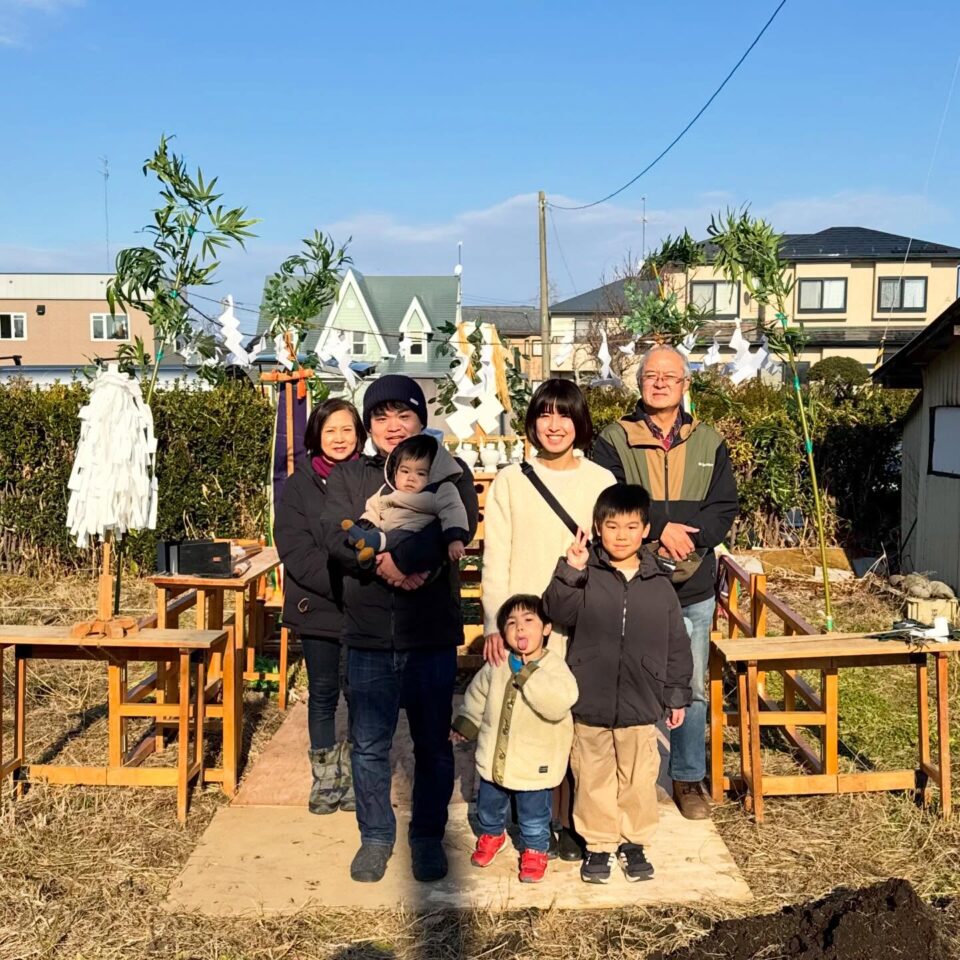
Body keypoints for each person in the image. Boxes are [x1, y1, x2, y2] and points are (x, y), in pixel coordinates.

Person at [323, 375, 479, 884]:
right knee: (369, 744)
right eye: (381, 417)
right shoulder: (351, 477)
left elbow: (458, 527)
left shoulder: (449, 472)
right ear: (370, 426)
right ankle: (375, 836)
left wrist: (401, 558)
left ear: (421, 419)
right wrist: (380, 567)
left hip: (429, 632)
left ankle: (428, 836)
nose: (393, 426)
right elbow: (335, 535)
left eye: (403, 415)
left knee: (433, 744)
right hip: (368, 634)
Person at [590, 345, 738, 820]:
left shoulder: (709, 441)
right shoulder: (614, 438)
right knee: (621, 678)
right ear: (639, 382)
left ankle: (688, 776)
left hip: (693, 583)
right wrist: (658, 527)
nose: (658, 383)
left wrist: (689, 542)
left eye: (669, 377)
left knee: (689, 684)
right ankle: (621, 778)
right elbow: (608, 497)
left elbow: (723, 508)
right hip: (632, 577)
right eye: (650, 375)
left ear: (684, 385)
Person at [481, 378, 615, 860]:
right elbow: (497, 556)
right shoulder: (511, 481)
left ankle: (573, 818)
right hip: (523, 628)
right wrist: (497, 623)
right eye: (544, 414)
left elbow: (611, 555)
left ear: (579, 423)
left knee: (578, 723)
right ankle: (533, 820)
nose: (554, 425)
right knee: (528, 721)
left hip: (581, 623)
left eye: (564, 415)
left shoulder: (601, 482)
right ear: (532, 422)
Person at [542, 484, 693, 884]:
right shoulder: (585, 574)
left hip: (642, 703)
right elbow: (556, 611)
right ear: (597, 528)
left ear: (646, 530)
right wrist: (571, 570)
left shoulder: (659, 584)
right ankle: (599, 844)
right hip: (590, 699)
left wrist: (676, 693)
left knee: (639, 777)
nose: (621, 535)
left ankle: (634, 841)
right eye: (612, 526)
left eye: (631, 526)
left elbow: (676, 642)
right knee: (592, 777)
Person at [274, 398, 365, 815]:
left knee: (362, 694)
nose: (340, 438)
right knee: (324, 693)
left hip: (366, 606)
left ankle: (358, 777)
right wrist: (344, 585)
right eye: (331, 431)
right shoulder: (299, 485)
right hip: (321, 605)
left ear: (358, 434)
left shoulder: (371, 476)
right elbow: (295, 548)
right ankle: (326, 779)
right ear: (317, 436)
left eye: (347, 430)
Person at [451, 594, 578, 884]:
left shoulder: (555, 667)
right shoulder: (497, 665)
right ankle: (492, 835)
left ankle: (535, 848)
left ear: (546, 629)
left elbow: (559, 702)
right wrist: (466, 724)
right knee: (489, 803)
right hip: (495, 757)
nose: (520, 628)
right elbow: (477, 695)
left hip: (535, 763)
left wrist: (527, 676)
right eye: (511, 623)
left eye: (529, 621)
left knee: (534, 812)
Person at [341, 433, 469, 567]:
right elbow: (372, 508)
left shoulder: (439, 490)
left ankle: (372, 543)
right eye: (405, 471)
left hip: (413, 534)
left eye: (421, 473)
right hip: (385, 531)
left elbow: (453, 511)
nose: (411, 478)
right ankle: (365, 554)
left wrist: (455, 538)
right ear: (395, 472)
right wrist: (365, 524)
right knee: (367, 536)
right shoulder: (386, 491)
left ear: (433, 475)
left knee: (402, 537)